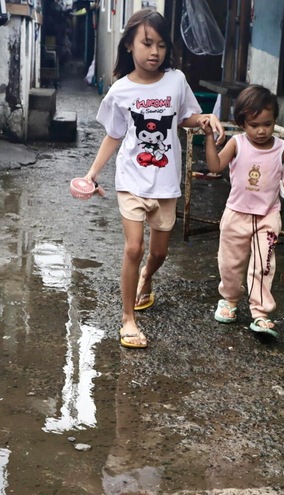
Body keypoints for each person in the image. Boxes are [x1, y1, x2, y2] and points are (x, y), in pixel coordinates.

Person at [82, 9, 224, 349]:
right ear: (130, 44)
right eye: (147, 43)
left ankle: (147, 278)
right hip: (131, 179)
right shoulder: (119, 90)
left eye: (161, 44)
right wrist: (92, 173)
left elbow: (187, 118)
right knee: (134, 247)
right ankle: (128, 319)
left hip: (165, 183)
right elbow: (114, 136)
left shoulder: (176, 80)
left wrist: (204, 120)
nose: (154, 52)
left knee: (159, 253)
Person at [203, 85, 284, 338]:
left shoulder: (282, 148)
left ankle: (260, 313)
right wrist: (208, 139)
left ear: (275, 121)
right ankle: (230, 301)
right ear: (242, 123)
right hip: (236, 213)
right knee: (230, 262)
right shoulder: (237, 144)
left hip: (268, 215)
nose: (261, 130)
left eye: (267, 124)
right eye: (254, 124)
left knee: (263, 264)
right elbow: (215, 166)